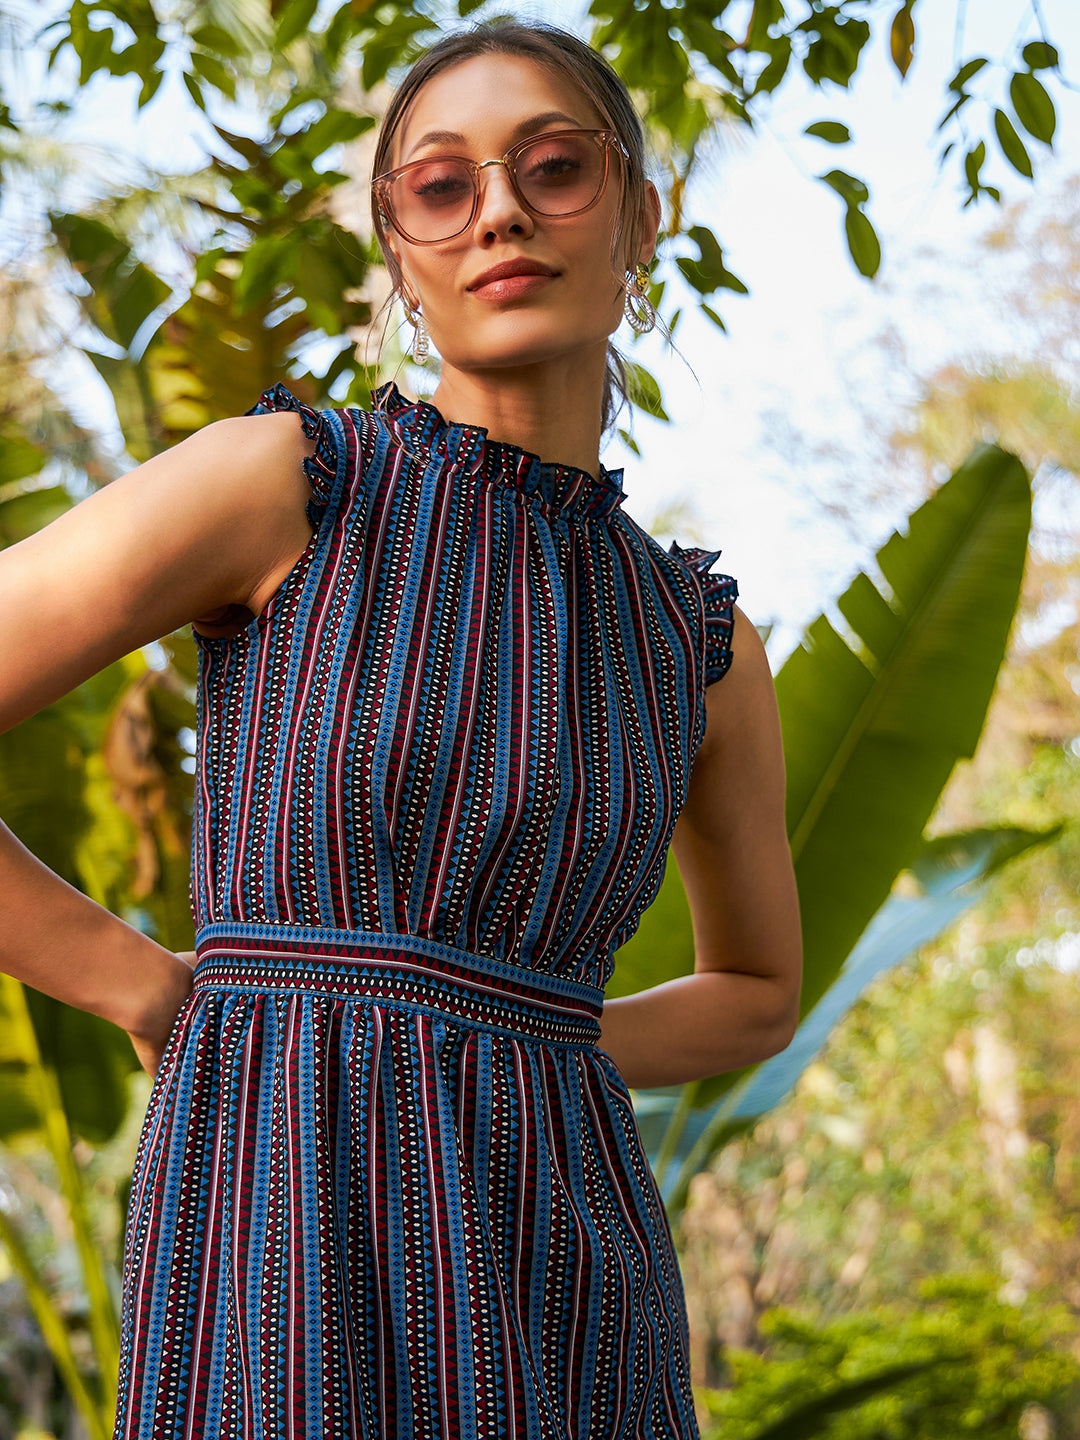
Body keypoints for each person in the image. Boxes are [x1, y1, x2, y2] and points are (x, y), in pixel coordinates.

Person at [0, 20, 801, 1439]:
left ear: (639, 216)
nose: (500, 209)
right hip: (277, 1202)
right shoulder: (289, 485)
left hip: (564, 1252)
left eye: (554, 167)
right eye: (442, 186)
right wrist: (131, 981)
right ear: (402, 253)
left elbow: (757, 990)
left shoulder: (700, 644)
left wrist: (523, 1041)